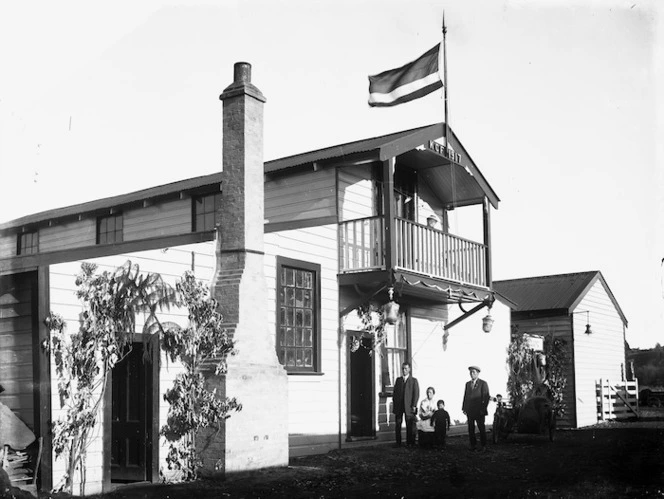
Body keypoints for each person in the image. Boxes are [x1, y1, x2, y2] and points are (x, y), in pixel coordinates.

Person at [462, 365, 490, 451]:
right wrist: (464, 407)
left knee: (481, 428)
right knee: (471, 428)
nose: (472, 374)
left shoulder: (483, 383)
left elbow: (486, 397)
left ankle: (483, 445)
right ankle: (473, 445)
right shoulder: (468, 384)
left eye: (473, 372)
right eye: (470, 372)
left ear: (478, 373)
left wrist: (483, 409)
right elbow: (466, 396)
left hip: (479, 411)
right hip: (470, 410)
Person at [392, 361, 420, 447]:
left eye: (406, 369)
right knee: (398, 424)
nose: (404, 370)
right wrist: (395, 403)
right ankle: (398, 442)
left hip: (409, 406)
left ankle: (409, 442)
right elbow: (395, 393)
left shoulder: (413, 381)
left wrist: (414, 405)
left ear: (409, 369)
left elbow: (416, 394)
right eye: (403, 369)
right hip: (399, 406)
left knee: (409, 425)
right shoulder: (398, 380)